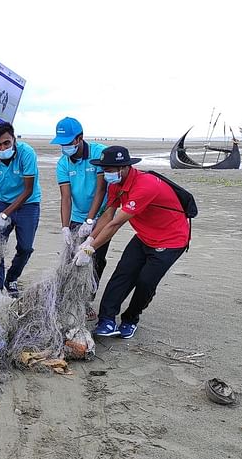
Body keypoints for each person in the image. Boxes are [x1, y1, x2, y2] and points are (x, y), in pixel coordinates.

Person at [74, 146, 190, 339]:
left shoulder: (145, 186)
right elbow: (108, 213)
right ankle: (106, 320)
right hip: (144, 236)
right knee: (122, 274)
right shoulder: (115, 185)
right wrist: (90, 239)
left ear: (125, 167)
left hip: (170, 240)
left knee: (145, 282)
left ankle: (130, 319)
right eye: (105, 169)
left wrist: (89, 251)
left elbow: (116, 223)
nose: (107, 173)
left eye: (111, 170)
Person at [0, 122, 41, 297]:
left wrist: (4, 215)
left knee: (25, 247)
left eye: (6, 143)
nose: (2, 148)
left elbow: (28, 190)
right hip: (2, 201)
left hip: (28, 203)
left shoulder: (27, 154)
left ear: (14, 139)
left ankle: (12, 278)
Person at [51, 117, 110, 316]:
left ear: (79, 138)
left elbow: (101, 190)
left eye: (68, 142)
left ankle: (87, 301)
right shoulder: (63, 163)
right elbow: (66, 197)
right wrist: (65, 226)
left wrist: (91, 219)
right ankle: (69, 299)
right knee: (72, 258)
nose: (64, 147)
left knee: (94, 259)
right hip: (76, 216)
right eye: (61, 143)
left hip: (101, 216)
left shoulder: (98, 153)